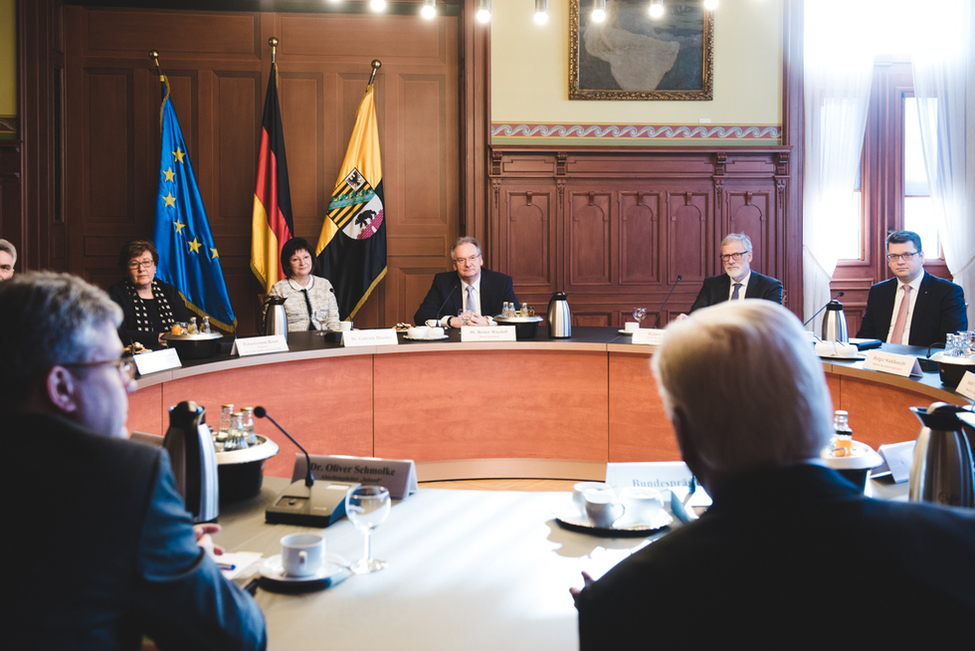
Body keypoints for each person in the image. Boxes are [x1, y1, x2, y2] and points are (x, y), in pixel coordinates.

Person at [572, 300, 975, 647]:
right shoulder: (959, 546)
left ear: (685, 433)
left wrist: (610, 606)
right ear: (820, 408)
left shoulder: (626, 603)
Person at [2, 272, 266, 650]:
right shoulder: (124, 476)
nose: (128, 383)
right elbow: (235, 637)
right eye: (115, 366)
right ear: (61, 387)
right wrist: (192, 558)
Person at [857, 230, 967, 346]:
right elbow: (865, 337)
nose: (900, 262)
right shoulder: (879, 292)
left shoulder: (947, 292)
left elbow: (950, 343)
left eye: (907, 255)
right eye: (894, 256)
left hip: (922, 361)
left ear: (922, 257)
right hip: (880, 361)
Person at [414, 236, 519, 327]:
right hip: (455, 343)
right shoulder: (443, 282)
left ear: (481, 260)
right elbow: (421, 316)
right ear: (454, 265)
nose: (468, 264)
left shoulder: (500, 282)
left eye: (472, 258)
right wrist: (451, 321)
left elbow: (516, 316)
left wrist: (488, 322)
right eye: (461, 260)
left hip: (490, 341)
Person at [108, 240, 191, 349]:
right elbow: (116, 332)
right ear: (126, 271)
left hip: (174, 354)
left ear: (155, 266)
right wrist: (160, 337)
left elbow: (185, 325)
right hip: (133, 358)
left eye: (146, 262)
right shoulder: (116, 294)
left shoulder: (169, 292)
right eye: (134, 264)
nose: (141, 269)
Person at [688, 232, 783, 311]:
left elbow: (772, 323)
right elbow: (696, 316)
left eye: (737, 255)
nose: (730, 261)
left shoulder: (770, 286)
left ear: (749, 256)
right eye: (726, 256)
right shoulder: (712, 284)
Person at [266, 237, 341, 331]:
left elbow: (333, 320)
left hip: (323, 340)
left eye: (306, 257)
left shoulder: (324, 285)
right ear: (288, 264)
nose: (302, 263)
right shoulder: (278, 289)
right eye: (295, 259)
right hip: (293, 341)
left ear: (312, 258)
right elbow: (270, 323)